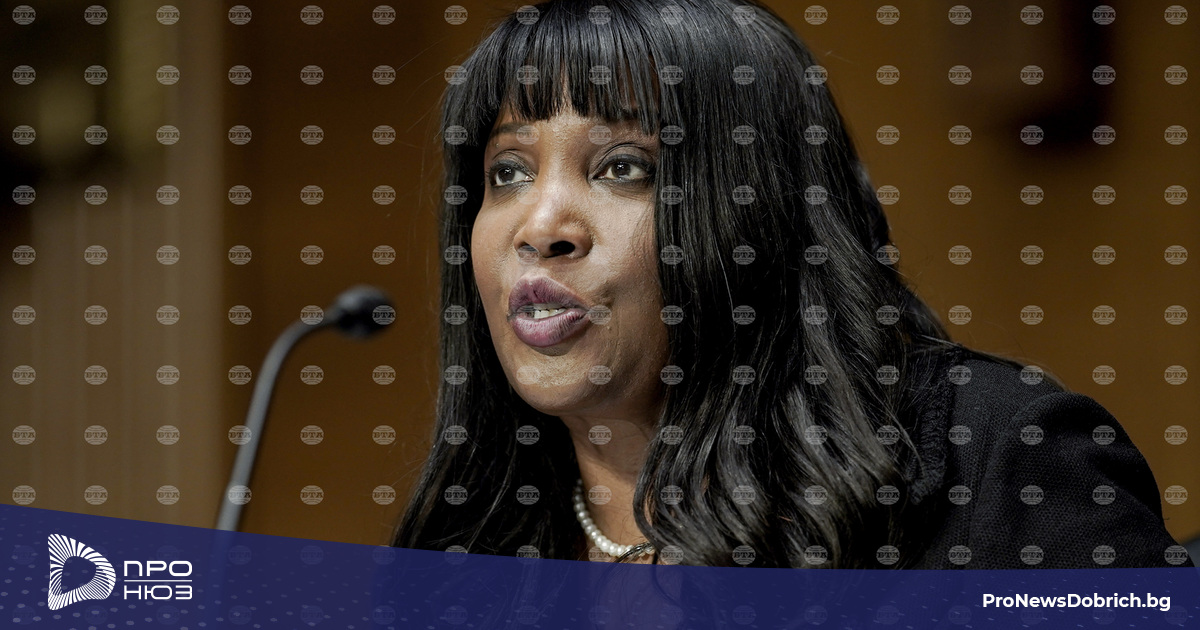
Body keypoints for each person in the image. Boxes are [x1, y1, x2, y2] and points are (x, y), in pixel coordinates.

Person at [392, 0, 1192, 570]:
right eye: (507, 172)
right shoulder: (465, 548)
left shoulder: (992, 464)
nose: (541, 227)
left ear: (759, 209)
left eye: (623, 166)